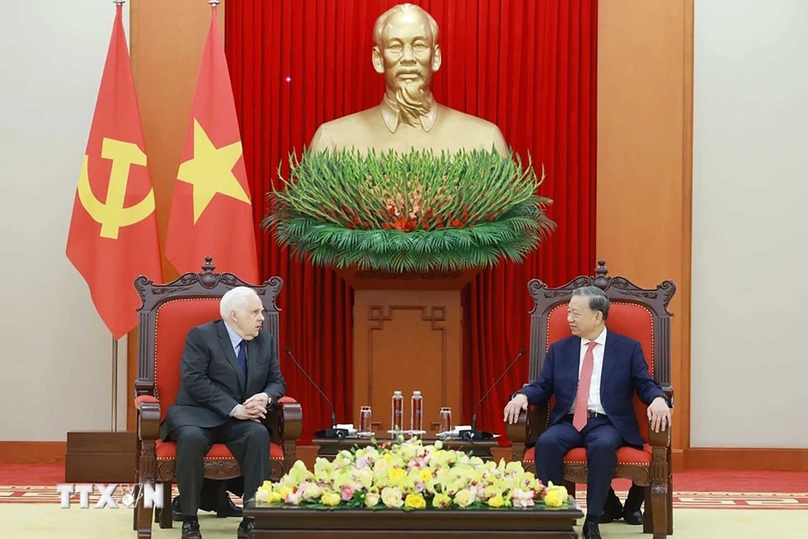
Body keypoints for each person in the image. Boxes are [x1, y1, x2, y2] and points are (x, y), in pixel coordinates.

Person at [503, 286, 671, 539]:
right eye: (568, 312)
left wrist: (658, 398)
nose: (569, 318)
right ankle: (558, 515)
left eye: (575, 313)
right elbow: (543, 385)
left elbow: (644, 383)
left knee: (602, 447)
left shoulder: (627, 348)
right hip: (569, 420)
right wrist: (522, 396)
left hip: (606, 422)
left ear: (597, 316)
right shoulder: (561, 349)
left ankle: (592, 520)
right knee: (547, 443)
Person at [160, 286, 287, 539]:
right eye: (255, 312)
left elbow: (277, 381)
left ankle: (252, 518)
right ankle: (189, 519)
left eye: (261, 311)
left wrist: (266, 397)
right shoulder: (202, 336)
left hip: (240, 420)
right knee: (192, 439)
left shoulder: (265, 341)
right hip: (198, 414)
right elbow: (194, 380)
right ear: (234, 315)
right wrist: (234, 408)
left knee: (258, 435)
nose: (262, 317)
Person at [309, 3, 509, 156]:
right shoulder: (332, 142)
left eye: (419, 45)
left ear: (435, 57)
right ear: (378, 59)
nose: (407, 58)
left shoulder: (483, 141)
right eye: (395, 46)